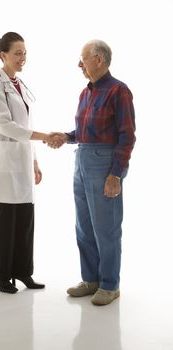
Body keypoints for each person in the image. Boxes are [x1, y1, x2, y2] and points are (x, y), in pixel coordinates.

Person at [48, 39, 136, 305]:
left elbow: (127, 136)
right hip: (82, 159)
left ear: (98, 59)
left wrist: (115, 174)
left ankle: (110, 284)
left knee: (106, 227)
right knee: (84, 226)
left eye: (83, 59)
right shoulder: (85, 93)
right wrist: (65, 136)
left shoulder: (119, 91)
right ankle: (92, 280)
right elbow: (84, 133)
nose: (79, 64)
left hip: (104, 163)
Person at [0, 32, 54, 294]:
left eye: (25, 53)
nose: (23, 58)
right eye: (17, 53)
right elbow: (5, 124)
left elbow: (26, 125)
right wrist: (45, 137)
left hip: (22, 159)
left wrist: (34, 161)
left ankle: (23, 272)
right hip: (5, 159)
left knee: (25, 217)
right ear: (3, 55)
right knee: (7, 219)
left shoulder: (20, 83)